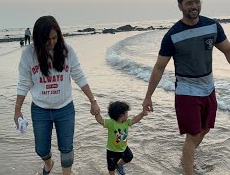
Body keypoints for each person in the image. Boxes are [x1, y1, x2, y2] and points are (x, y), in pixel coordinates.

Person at [142, 0, 230, 174]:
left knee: (205, 129)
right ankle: (188, 170)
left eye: (197, 1)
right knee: (192, 135)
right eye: (189, 3)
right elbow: (159, 67)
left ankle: (186, 158)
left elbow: (228, 50)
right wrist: (148, 95)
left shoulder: (212, 26)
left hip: (209, 88)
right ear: (180, 6)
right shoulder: (172, 35)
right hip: (187, 91)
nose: (194, 6)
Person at [14, 15, 100, 175]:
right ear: (38, 38)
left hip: (65, 108)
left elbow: (79, 76)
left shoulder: (67, 51)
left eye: (55, 37)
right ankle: (48, 164)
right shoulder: (28, 54)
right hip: (40, 109)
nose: (52, 42)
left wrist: (93, 101)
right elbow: (23, 83)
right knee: (41, 149)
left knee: (66, 148)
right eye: (47, 39)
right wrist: (17, 110)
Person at [93, 101, 147, 175]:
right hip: (112, 151)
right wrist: (97, 114)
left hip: (124, 147)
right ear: (122, 115)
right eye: (127, 113)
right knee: (111, 167)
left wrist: (142, 114)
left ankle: (119, 165)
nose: (128, 115)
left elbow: (135, 120)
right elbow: (100, 120)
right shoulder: (111, 123)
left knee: (129, 156)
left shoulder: (126, 122)